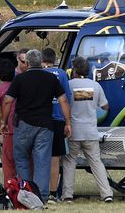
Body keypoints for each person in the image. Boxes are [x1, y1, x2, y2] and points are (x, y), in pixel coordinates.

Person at [1, 49, 71, 201]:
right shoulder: (51, 79)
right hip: (45, 125)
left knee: (22, 159)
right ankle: (42, 196)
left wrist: (4, 122)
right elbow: (63, 100)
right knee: (42, 161)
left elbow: (7, 101)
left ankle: (26, 192)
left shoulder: (20, 79)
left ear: (26, 63)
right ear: (41, 62)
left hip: (23, 124)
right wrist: (68, 122)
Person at [61, 56, 113, 203]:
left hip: (73, 131)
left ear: (74, 70)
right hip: (90, 132)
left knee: (69, 162)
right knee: (96, 162)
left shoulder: (68, 85)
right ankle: (107, 194)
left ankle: (67, 195)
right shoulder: (95, 86)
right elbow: (105, 106)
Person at [41, 48, 72, 204]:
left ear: (42, 59)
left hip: (41, 120)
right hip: (59, 120)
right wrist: (68, 121)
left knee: (39, 158)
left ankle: (39, 191)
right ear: (55, 59)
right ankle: (53, 193)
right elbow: (67, 98)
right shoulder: (62, 74)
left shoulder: (39, 74)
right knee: (55, 159)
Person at [0, 59, 16, 188]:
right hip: (21, 128)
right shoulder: (18, 87)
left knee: (8, 163)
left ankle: (10, 189)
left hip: (7, 130)